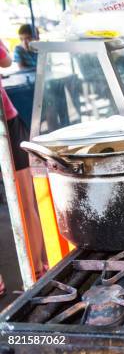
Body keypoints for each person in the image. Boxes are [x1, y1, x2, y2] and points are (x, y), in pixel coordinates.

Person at [0, 39, 46, 288]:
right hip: (7, 120)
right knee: (26, 199)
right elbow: (5, 60)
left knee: (26, 198)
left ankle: (37, 269)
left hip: (6, 119)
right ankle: (37, 269)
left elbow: (6, 61)